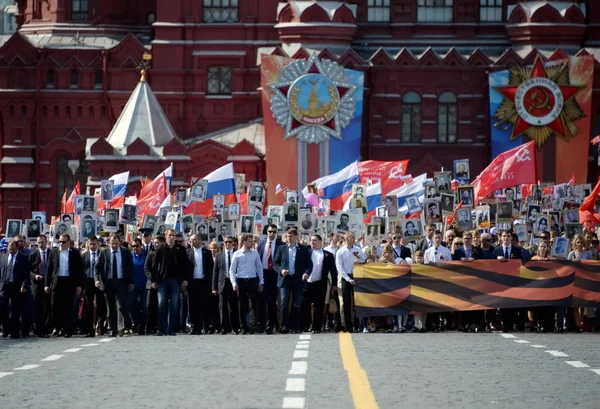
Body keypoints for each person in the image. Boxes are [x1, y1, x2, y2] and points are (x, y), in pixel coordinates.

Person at [150, 229, 191, 336]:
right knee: (161, 303)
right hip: (162, 280)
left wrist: (185, 279)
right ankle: (161, 328)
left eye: (173, 235)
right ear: (166, 236)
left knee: (174, 304)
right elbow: (154, 266)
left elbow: (186, 266)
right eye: (170, 235)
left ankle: (171, 328)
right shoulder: (160, 248)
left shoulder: (180, 249)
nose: (172, 237)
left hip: (175, 281)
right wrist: (153, 280)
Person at [94, 234, 134, 337]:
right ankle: (113, 329)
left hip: (121, 282)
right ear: (109, 243)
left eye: (116, 243)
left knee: (121, 305)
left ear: (119, 243)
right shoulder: (104, 252)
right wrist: (97, 280)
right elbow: (97, 267)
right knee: (110, 307)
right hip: (109, 282)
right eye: (112, 243)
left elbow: (130, 268)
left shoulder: (125, 252)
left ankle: (126, 324)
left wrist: (131, 282)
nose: (114, 245)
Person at [44, 234, 84, 338]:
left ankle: (68, 329)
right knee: (55, 306)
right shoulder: (54, 252)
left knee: (68, 307)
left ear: (69, 242)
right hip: (57, 282)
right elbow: (49, 268)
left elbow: (79, 270)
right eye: (60, 241)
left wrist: (79, 285)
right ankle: (58, 327)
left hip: (69, 282)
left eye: (64, 242)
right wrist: (47, 284)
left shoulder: (75, 253)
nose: (61, 244)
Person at [274, 229, 312, 334]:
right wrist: (281, 270)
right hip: (285, 279)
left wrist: (306, 273)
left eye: (291, 236)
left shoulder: (303, 249)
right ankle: (284, 325)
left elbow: (309, 264)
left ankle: (295, 325)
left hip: (298, 279)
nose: (289, 238)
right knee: (284, 301)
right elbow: (275, 262)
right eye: (288, 236)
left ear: (296, 237)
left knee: (297, 302)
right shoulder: (281, 248)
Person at [303, 234, 337, 334]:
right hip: (308, 282)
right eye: (311, 240)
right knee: (306, 304)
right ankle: (306, 324)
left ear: (320, 241)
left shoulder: (328, 254)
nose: (312, 242)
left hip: (321, 282)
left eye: (315, 240)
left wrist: (334, 284)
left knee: (319, 305)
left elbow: (333, 271)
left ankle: (316, 326)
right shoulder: (306, 252)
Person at [230, 233, 264, 334]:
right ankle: (243, 326)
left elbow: (259, 268)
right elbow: (232, 270)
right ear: (244, 242)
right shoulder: (236, 254)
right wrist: (233, 283)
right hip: (240, 281)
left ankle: (252, 325)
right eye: (250, 241)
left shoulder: (255, 253)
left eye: (252, 241)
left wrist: (261, 281)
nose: (252, 243)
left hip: (252, 281)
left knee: (252, 304)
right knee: (242, 305)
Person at [493, 230, 525, 332]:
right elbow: (490, 265)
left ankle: (515, 324)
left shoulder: (517, 250)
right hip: (501, 281)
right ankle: (506, 325)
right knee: (504, 304)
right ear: (501, 238)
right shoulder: (496, 250)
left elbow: (521, 265)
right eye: (504, 236)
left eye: (508, 236)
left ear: (511, 238)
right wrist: (496, 260)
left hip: (514, 280)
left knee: (513, 303)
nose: (506, 238)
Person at [335, 231, 366, 333]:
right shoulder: (340, 251)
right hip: (345, 277)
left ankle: (358, 324)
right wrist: (348, 279)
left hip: (356, 276)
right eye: (352, 237)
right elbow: (339, 267)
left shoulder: (357, 249)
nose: (354, 239)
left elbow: (365, 259)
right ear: (347, 239)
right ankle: (347, 325)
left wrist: (359, 261)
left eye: (354, 237)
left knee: (357, 302)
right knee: (346, 303)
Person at [0, 240, 31, 338]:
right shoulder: (4, 257)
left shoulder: (23, 258)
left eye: (13, 249)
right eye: (9, 249)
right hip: (5, 285)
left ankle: (15, 331)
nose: (11, 251)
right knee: (3, 307)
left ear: (17, 248)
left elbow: (26, 274)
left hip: (17, 286)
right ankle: (6, 329)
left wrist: (24, 285)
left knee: (15, 309)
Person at [257, 225, 284, 334]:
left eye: (274, 232)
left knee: (273, 301)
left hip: (275, 273)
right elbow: (258, 258)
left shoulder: (281, 245)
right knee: (263, 300)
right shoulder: (261, 243)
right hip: (263, 273)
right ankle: (262, 324)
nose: (272, 234)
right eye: (270, 232)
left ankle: (271, 324)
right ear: (266, 232)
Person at [212, 235, 240, 335]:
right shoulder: (219, 255)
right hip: (222, 283)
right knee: (222, 306)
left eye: (229, 242)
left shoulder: (237, 254)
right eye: (226, 242)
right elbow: (215, 272)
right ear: (223, 243)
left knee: (234, 306)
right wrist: (214, 287)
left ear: (233, 243)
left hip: (234, 282)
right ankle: (224, 327)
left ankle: (235, 327)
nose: (228, 244)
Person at [81, 236, 105, 337]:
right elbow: (81, 270)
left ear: (98, 244)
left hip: (99, 281)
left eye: (94, 244)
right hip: (88, 282)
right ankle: (90, 329)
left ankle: (100, 327)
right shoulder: (84, 255)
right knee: (89, 305)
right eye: (90, 244)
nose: (92, 246)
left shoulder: (102, 254)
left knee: (101, 305)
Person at [28, 235, 51, 338]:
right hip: (37, 284)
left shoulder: (52, 253)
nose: (40, 244)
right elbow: (29, 271)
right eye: (39, 243)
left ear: (46, 242)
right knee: (38, 307)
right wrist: (35, 275)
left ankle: (46, 329)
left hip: (48, 283)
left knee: (47, 307)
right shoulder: (33, 254)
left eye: (42, 242)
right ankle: (38, 329)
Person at [128, 238, 148, 335]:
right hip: (133, 285)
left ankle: (142, 326)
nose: (135, 248)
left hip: (144, 285)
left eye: (137, 246)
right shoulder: (129, 256)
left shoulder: (146, 255)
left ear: (141, 246)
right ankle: (136, 323)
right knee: (131, 304)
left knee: (144, 306)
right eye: (133, 246)